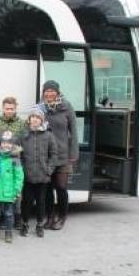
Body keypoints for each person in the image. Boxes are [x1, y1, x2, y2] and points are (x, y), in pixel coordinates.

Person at [39, 80, 79, 230]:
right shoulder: (40, 107)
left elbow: (74, 132)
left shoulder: (67, 107)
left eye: (52, 91)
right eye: (46, 91)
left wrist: (73, 153)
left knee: (61, 187)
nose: (49, 93)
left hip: (63, 155)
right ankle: (49, 217)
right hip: (46, 155)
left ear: (57, 92)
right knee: (48, 188)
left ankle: (62, 217)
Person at [19, 108, 57, 238]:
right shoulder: (23, 135)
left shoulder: (48, 135)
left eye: (38, 117)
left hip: (43, 176)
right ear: (29, 119)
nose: (35, 119)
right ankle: (24, 223)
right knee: (26, 202)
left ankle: (40, 225)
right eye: (32, 117)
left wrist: (49, 170)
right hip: (27, 176)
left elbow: (54, 154)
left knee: (41, 202)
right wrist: (22, 169)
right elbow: (19, 154)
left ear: (42, 120)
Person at [0, 96, 26, 229]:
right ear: (3, 108)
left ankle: (17, 217)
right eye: (7, 108)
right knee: (2, 187)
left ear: (15, 109)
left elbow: (25, 141)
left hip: (15, 159)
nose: (9, 111)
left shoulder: (21, 123)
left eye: (12, 109)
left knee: (16, 190)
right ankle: (2, 217)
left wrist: (18, 151)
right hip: (1, 159)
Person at [0, 130, 24, 243]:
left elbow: (19, 177)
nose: (6, 145)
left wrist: (17, 190)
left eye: (9, 143)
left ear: (13, 144)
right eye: (4, 143)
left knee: (9, 214)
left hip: (9, 193)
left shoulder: (15, 159)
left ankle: (8, 233)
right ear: (0, 144)